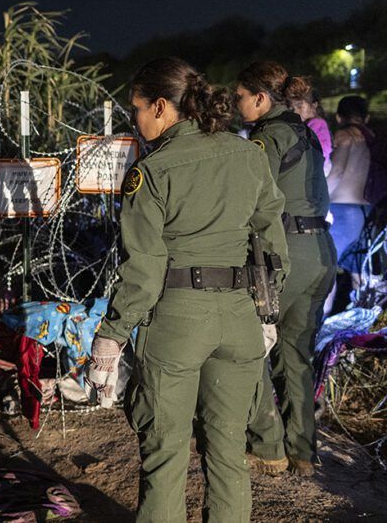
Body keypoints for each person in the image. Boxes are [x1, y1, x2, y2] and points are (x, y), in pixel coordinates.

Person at [88, 57, 289, 522]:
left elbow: (145, 267)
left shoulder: (153, 171)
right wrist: (266, 313)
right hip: (240, 318)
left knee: (166, 450)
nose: (135, 121)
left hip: (178, 321)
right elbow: (272, 242)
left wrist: (112, 334)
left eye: (137, 109)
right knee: (228, 452)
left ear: (161, 107)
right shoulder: (248, 155)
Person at [237, 61, 336, 478]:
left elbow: (249, 201)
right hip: (322, 253)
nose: (235, 104)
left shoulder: (268, 137)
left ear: (261, 99)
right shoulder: (307, 134)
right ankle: (304, 453)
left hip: (287, 256)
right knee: (297, 356)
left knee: (249, 348)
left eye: (239, 97)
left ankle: (267, 447)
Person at [328, 96, 374, 274]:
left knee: (327, 272)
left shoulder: (344, 135)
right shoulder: (371, 138)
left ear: (338, 117)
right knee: (360, 273)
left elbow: (337, 172)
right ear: (367, 118)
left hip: (341, 212)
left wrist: (318, 201)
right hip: (366, 212)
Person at [285, 77, 332, 174]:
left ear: (314, 105)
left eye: (299, 106)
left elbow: (321, 150)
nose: (295, 111)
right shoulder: (311, 123)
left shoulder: (317, 124)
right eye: (292, 108)